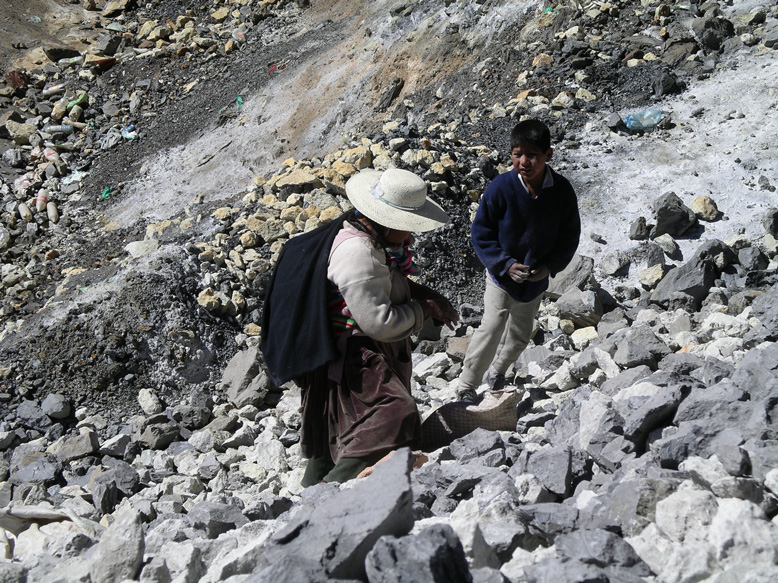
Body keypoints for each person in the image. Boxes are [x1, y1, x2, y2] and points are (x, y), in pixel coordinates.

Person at [293, 168, 459, 486]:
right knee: (392, 415)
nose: (410, 237)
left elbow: (384, 282)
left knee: (337, 420)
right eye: (407, 229)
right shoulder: (360, 254)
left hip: (332, 350)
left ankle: (311, 490)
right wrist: (421, 309)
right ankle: (329, 491)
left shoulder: (361, 234)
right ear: (388, 221)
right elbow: (379, 323)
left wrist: (422, 294)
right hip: (352, 354)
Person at [457, 119, 581, 401]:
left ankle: (498, 372)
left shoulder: (561, 192)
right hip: (501, 277)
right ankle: (467, 385)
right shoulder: (501, 187)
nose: (524, 161)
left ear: (548, 155)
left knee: (521, 334)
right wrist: (504, 264)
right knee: (491, 327)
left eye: (532, 154)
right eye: (517, 154)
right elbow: (481, 232)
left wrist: (548, 268)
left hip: (534, 281)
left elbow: (569, 236)